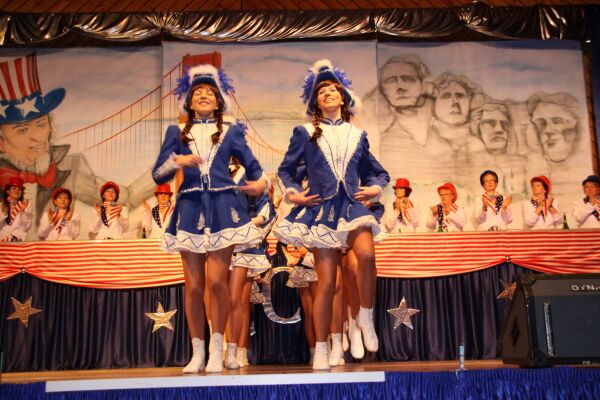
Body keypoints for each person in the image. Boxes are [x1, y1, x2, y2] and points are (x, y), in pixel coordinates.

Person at [152, 64, 268, 373]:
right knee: (193, 286)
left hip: (223, 209)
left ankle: (217, 350)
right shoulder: (175, 132)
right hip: (189, 208)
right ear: (189, 103)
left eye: (209, 93)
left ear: (218, 102)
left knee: (217, 282)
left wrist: (259, 183)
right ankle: (197, 354)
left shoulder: (231, 131)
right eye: (197, 93)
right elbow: (158, 174)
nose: (203, 96)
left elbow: (253, 167)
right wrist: (177, 160)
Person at [274, 59, 389, 370]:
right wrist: (293, 192)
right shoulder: (304, 133)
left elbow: (377, 172)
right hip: (321, 211)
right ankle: (323, 347)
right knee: (326, 285)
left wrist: (374, 188)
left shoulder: (357, 135)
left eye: (332, 90)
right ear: (316, 101)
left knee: (366, 255)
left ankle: (365, 316)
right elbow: (286, 170)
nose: (327, 93)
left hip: (351, 206)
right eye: (321, 91)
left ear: (343, 99)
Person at [0, 52, 154, 240]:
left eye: (41, 124)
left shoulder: (70, 167)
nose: (37, 138)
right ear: (1, 142)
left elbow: (126, 199)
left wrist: (166, 167)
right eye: (22, 130)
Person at [226, 158, 275, 369]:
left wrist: (247, 227)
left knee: (239, 300)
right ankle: (223, 348)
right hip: (220, 242)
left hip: (244, 245)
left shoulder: (249, 173)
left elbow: (266, 211)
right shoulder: (216, 170)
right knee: (224, 298)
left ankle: (239, 350)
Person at [0, 177, 33, 241]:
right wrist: (3, 213)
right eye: (14, 188)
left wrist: (22, 211)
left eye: (20, 189)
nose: (17, 191)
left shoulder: (27, 204)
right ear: (8, 191)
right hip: (2, 238)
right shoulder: (1, 205)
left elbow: (27, 225)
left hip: (18, 238)